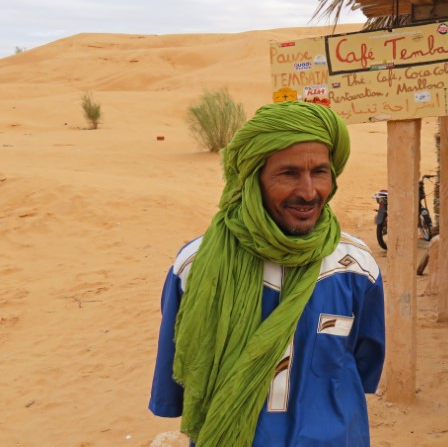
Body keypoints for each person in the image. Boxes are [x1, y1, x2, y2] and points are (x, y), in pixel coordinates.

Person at [148, 101, 385, 447]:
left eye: (319, 172)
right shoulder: (198, 266)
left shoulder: (355, 267)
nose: (308, 192)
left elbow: (363, 362)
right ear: (252, 180)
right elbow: (181, 375)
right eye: (288, 174)